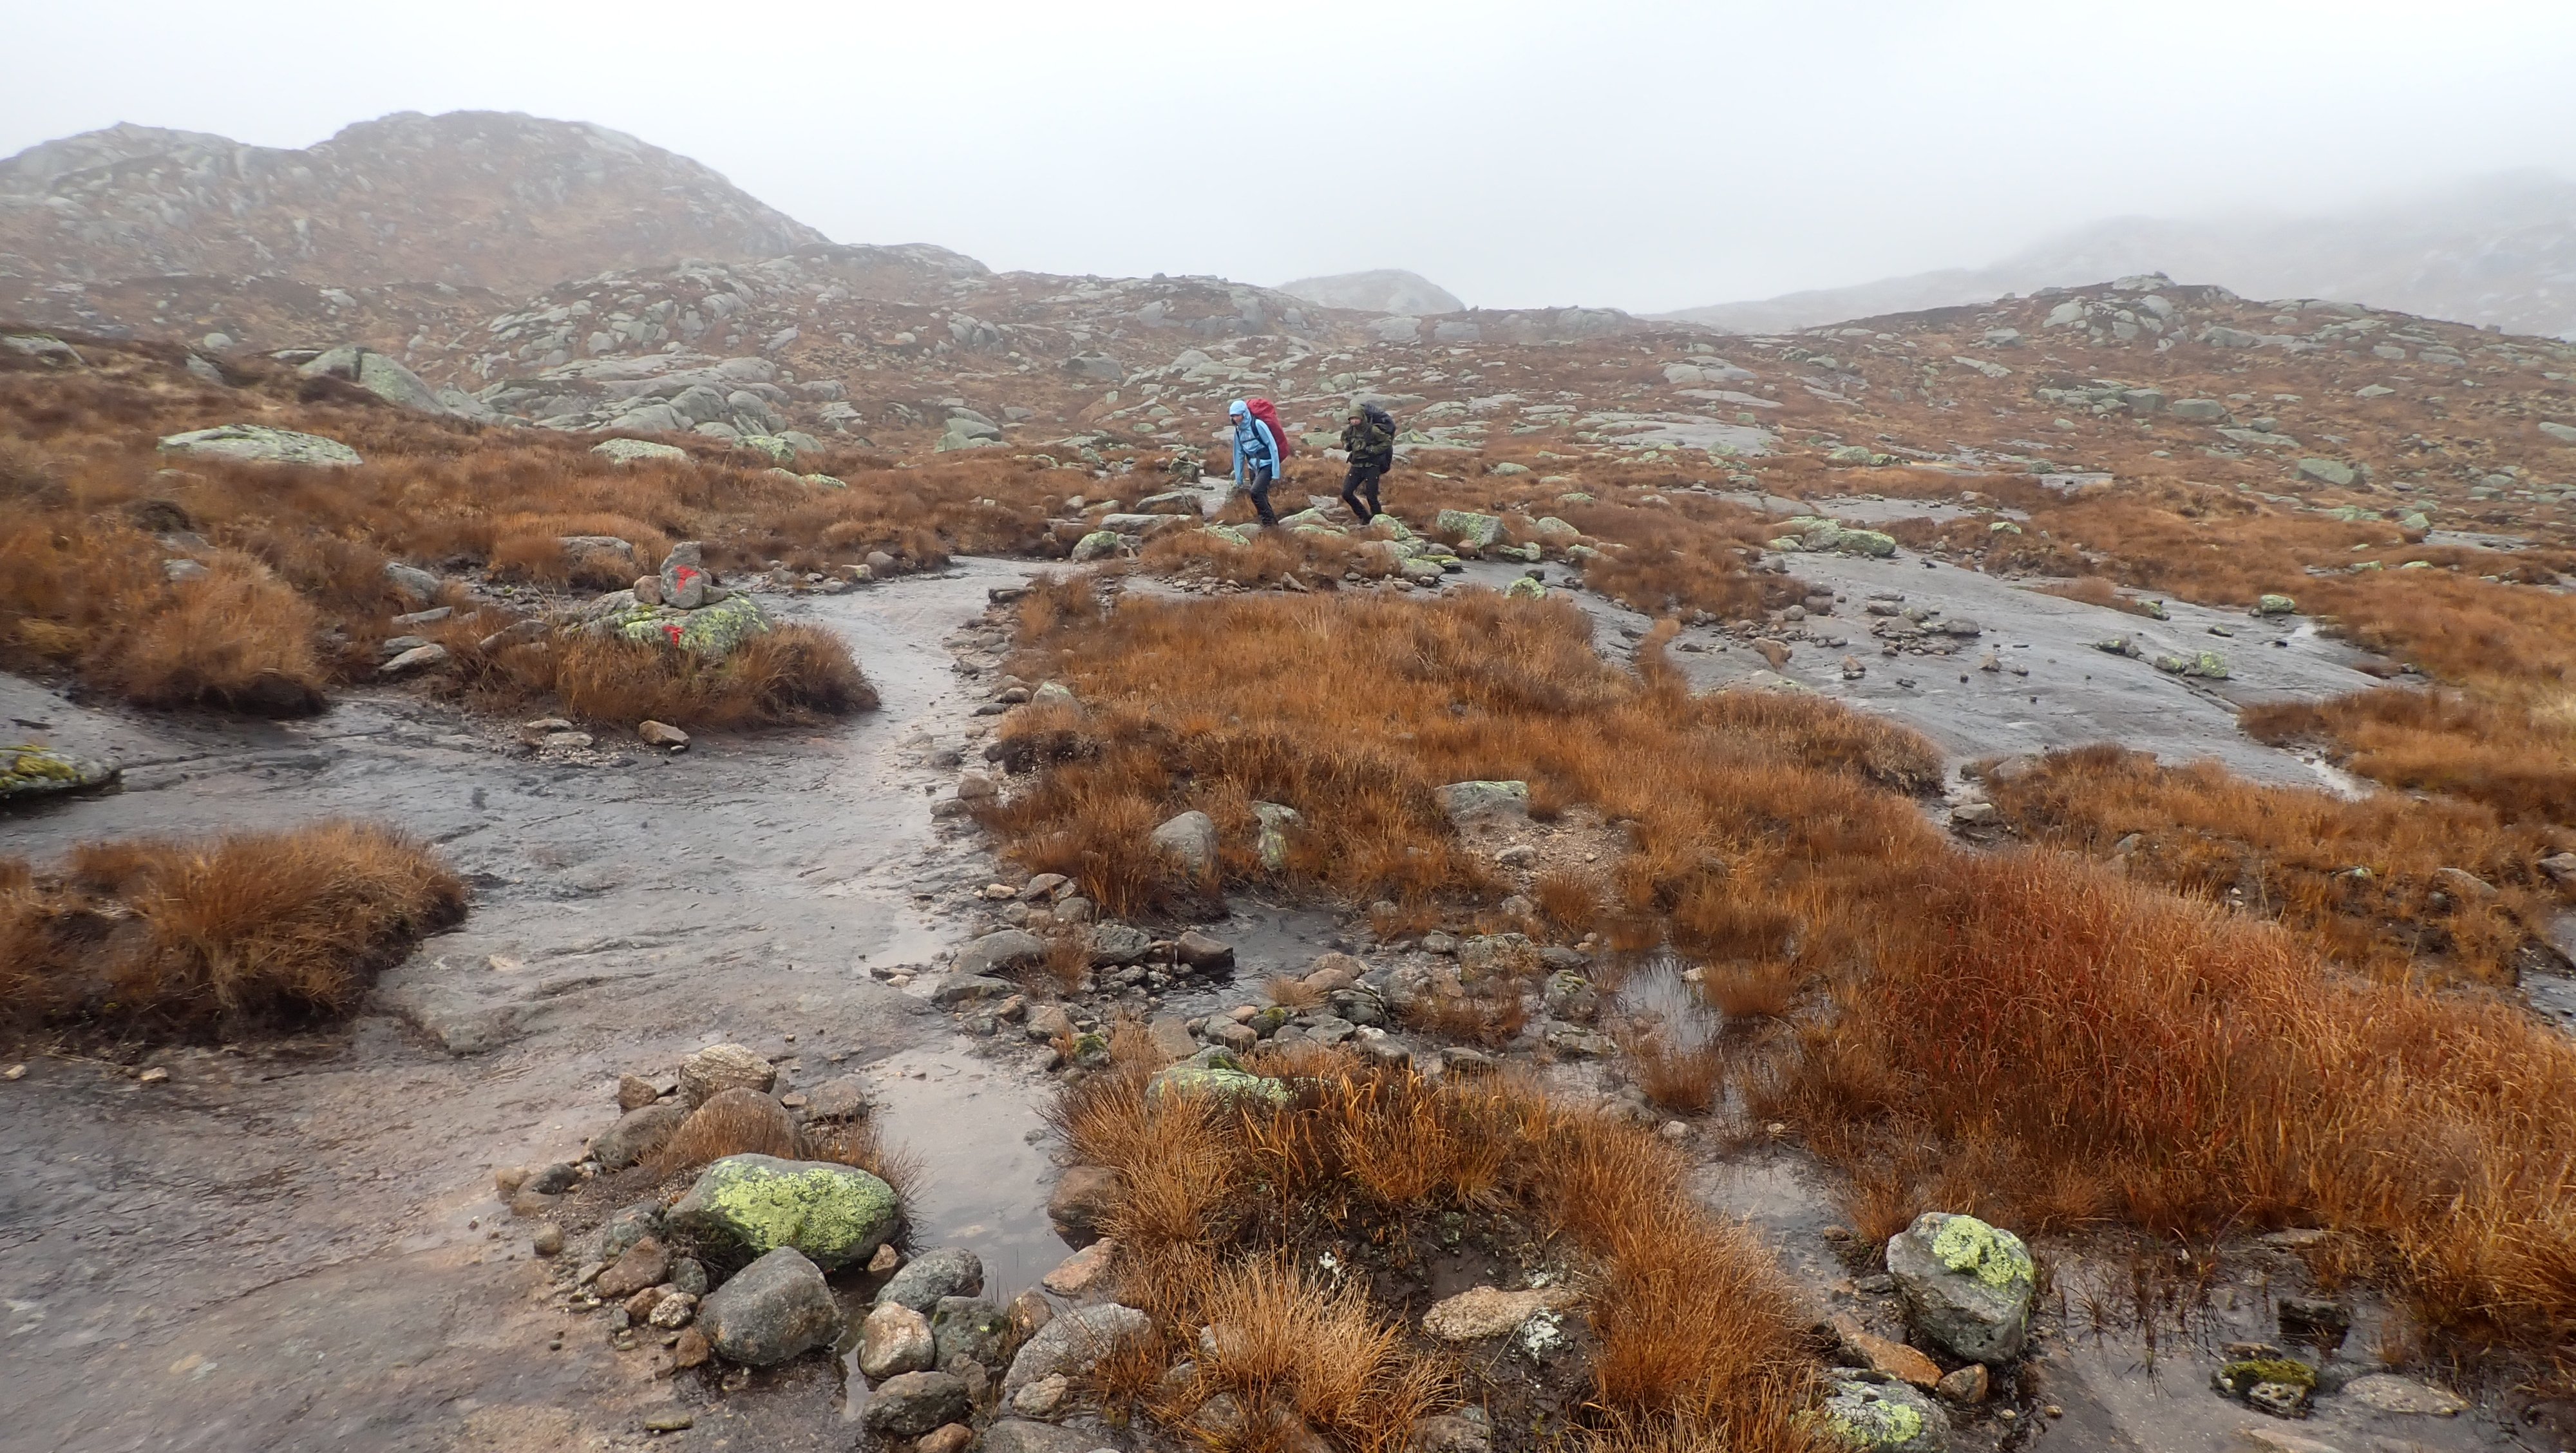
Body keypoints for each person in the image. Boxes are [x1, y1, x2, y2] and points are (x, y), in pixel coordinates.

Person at [1228, 398, 1283, 526]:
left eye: (1237, 415)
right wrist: (1239, 478)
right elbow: (1238, 454)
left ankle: (1269, 523)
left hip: (1267, 464)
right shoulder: (1238, 431)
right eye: (1233, 416)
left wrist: (1276, 473)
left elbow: (1273, 447)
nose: (1235, 418)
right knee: (1260, 495)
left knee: (1256, 492)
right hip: (1253, 467)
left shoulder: (1258, 425)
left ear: (1244, 413)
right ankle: (1269, 523)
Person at [1340, 400, 1397, 523]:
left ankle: (1379, 521)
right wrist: (1346, 445)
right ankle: (1364, 517)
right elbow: (1344, 439)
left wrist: (1373, 450)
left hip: (1372, 466)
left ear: (1362, 417)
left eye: (1356, 418)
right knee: (1346, 493)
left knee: (1371, 497)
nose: (1354, 421)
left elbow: (1387, 442)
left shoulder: (1373, 430)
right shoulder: (1349, 431)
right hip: (1356, 466)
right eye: (1352, 419)